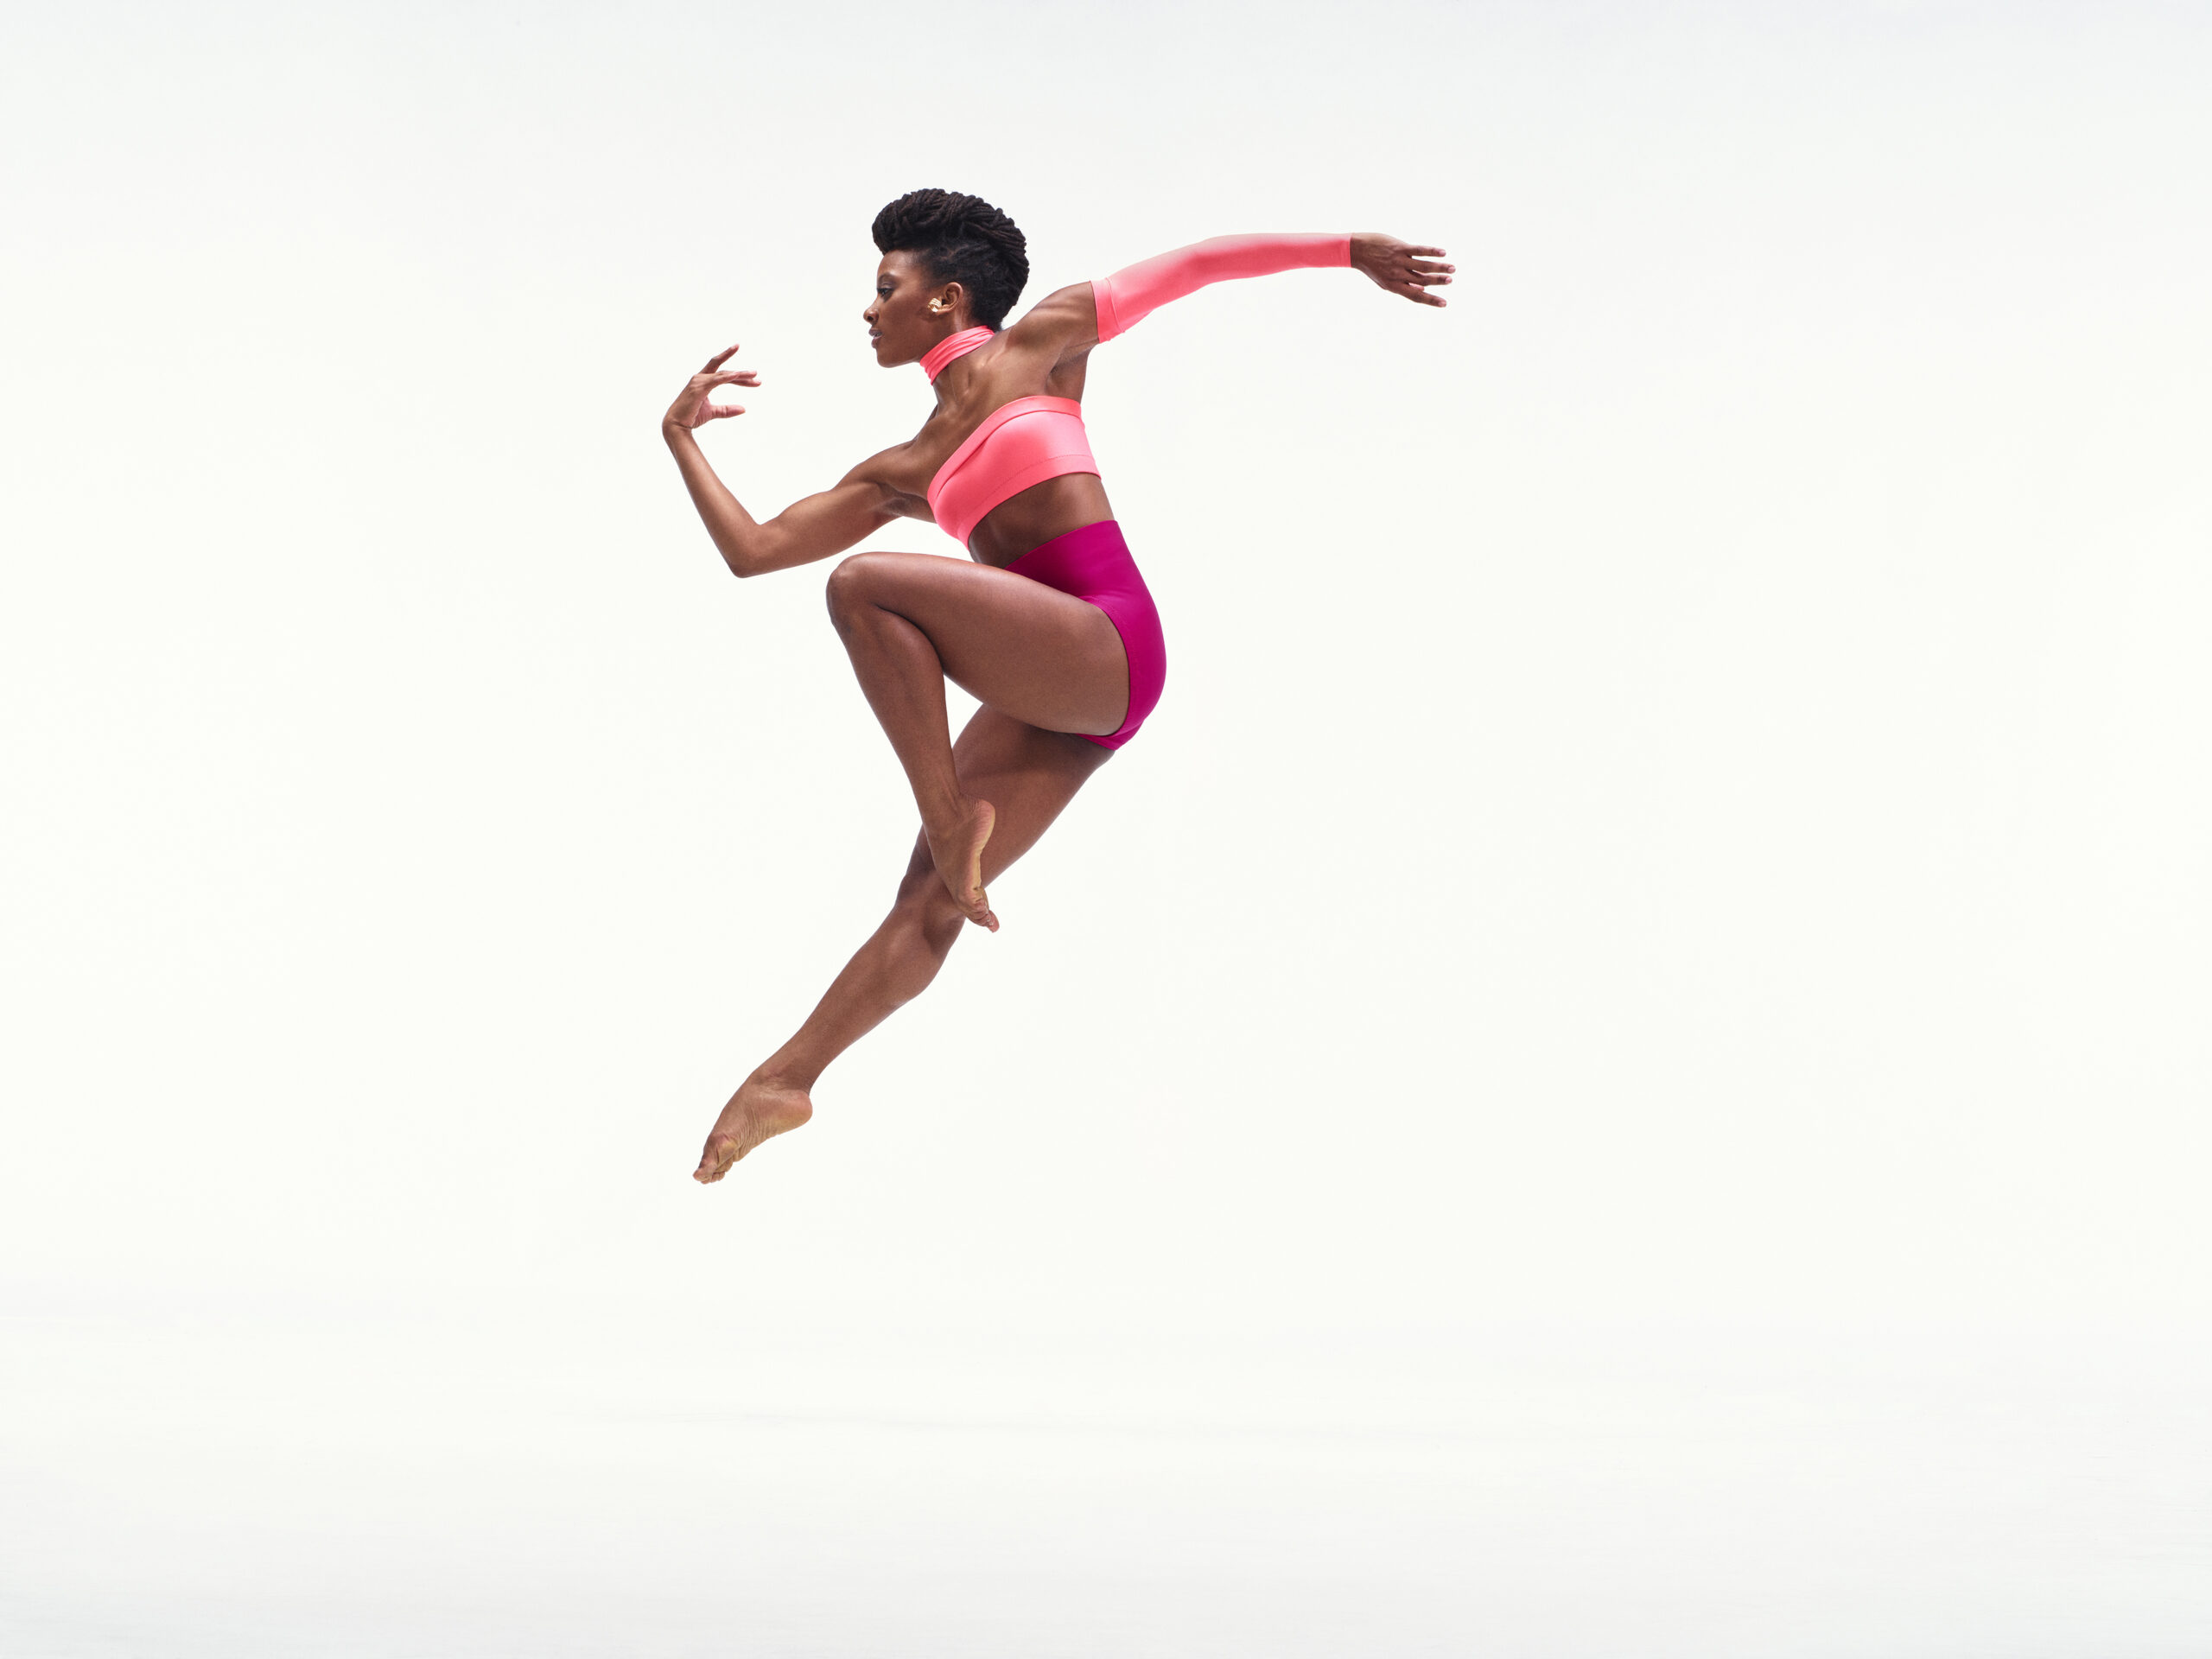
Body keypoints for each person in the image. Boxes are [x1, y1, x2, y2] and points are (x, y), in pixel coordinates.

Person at [664, 189, 1450, 1183]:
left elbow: (1198, 264)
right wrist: (681, 440)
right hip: (1054, 689)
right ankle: (786, 1081)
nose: (866, 312)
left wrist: (1346, 251)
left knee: (863, 587)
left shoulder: (1046, 341)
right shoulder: (902, 469)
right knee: (929, 902)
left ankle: (951, 819)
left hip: (1110, 643)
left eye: (884, 289)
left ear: (946, 299)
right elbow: (755, 549)